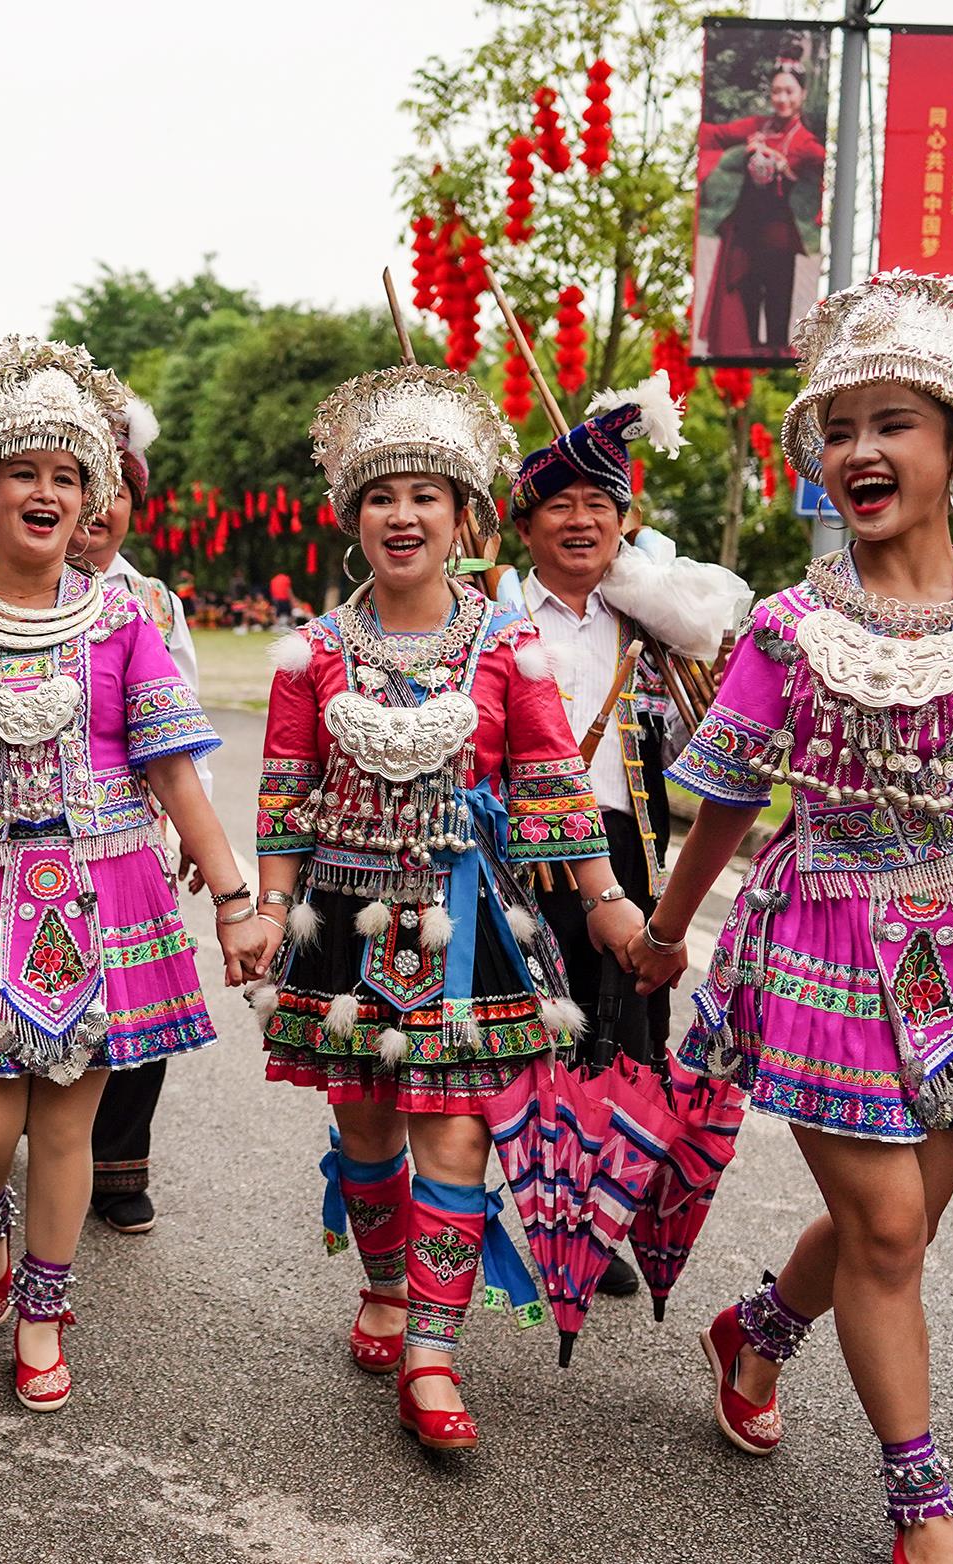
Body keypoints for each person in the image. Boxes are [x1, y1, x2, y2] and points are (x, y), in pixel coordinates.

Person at [623, 273, 953, 1563]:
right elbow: (727, 801)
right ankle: (923, 1509)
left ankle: (756, 1330)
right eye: (838, 427)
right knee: (891, 1230)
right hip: (817, 942)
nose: (858, 450)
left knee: (887, 1228)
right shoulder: (789, 630)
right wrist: (667, 932)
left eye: (891, 422)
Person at [0, 335, 262, 1412]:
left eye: (66, 475)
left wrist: (230, 897)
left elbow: (172, 771)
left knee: (64, 1125)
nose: (46, 491)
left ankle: (44, 1303)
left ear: (91, 498)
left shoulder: (124, 619)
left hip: (100, 894)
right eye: (24, 471)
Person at [246, 363, 643, 1450]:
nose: (401, 514)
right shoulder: (313, 653)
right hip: (345, 924)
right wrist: (269, 908)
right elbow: (286, 792)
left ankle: (432, 1349)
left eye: (424, 494)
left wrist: (606, 902)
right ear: (353, 518)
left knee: (455, 1136)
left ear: (462, 518)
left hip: (468, 927)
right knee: (365, 1125)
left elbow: (553, 783)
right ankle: (380, 1287)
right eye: (380, 495)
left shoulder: (505, 644)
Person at [511, 372, 750, 1102]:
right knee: (512, 1045)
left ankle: (601, 1202)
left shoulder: (653, 629)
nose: (579, 520)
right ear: (524, 527)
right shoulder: (495, 618)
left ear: (624, 522)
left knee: (620, 1055)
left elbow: (690, 750)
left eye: (596, 504)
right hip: (515, 853)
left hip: (626, 854)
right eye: (558, 505)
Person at [79, 394, 209, 1237]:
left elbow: (183, 717)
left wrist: (195, 832)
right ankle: (33, 1141)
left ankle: (117, 1162)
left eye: (112, 489)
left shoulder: (155, 602)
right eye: (77, 483)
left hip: (133, 832)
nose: (94, 509)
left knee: (139, 991)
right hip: (19, 836)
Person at [695, 63, 825, 358]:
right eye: (776, 91)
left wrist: (785, 166)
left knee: (777, 310)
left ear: (802, 94)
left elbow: (823, 169)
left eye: (789, 92)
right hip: (746, 234)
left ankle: (775, 364)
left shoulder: (805, 141)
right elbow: (713, 135)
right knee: (746, 305)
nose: (782, 98)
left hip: (778, 236)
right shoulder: (758, 127)